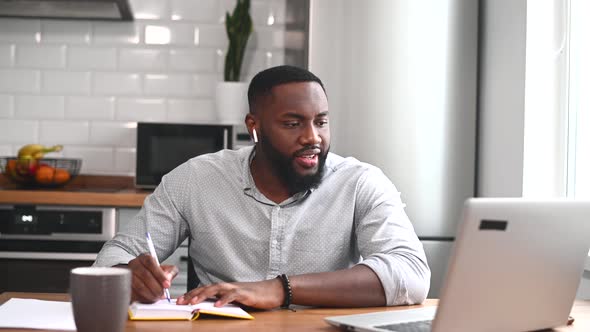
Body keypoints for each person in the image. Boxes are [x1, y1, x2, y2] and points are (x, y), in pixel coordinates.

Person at [94, 65, 430, 309]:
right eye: (292, 123)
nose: (312, 137)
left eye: (321, 121)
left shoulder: (360, 183)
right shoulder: (195, 179)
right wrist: (127, 276)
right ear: (254, 128)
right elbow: (111, 259)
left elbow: (410, 274)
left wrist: (281, 289)